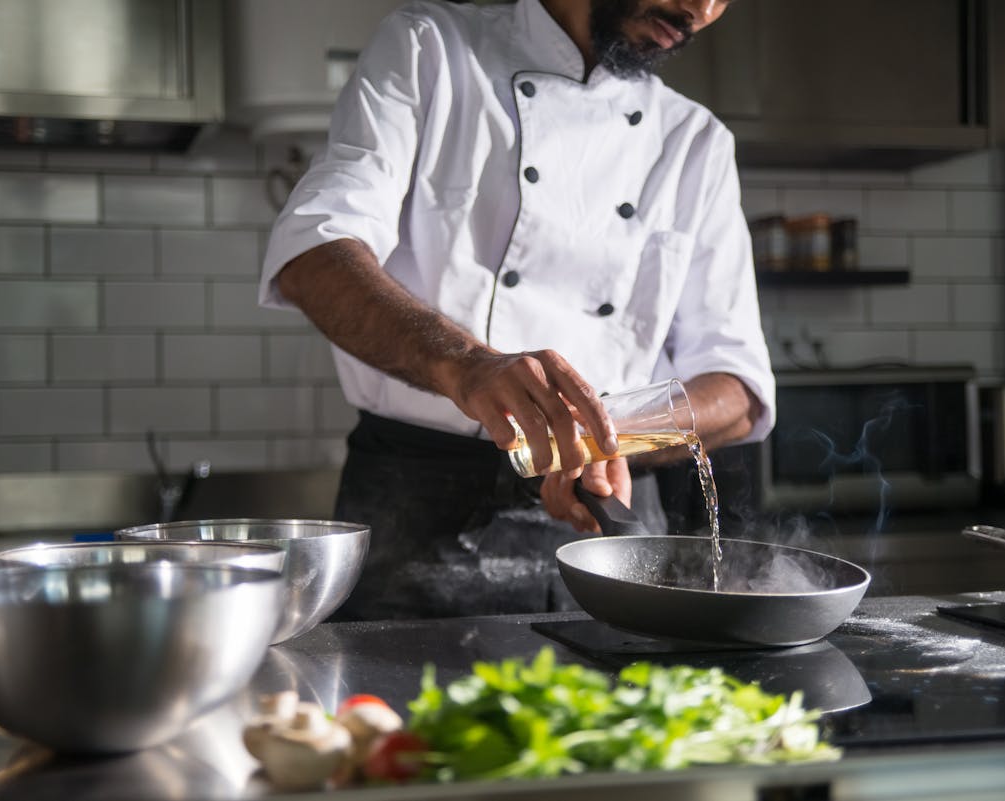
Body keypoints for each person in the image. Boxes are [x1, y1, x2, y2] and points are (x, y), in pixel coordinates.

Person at [257, 0, 775, 620]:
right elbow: (313, 251)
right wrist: (466, 366)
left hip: (611, 525)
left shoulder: (695, 141)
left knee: (628, 716)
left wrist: (599, 438)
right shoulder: (432, 52)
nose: (701, 8)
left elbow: (738, 389)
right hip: (419, 512)